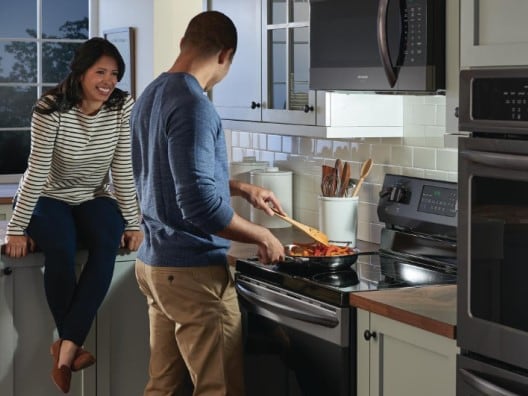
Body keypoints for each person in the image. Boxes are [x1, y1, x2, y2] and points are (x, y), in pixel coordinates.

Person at [130, 10, 286, 396]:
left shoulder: (151, 93)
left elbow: (165, 176)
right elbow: (200, 208)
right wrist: (262, 236)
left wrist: (238, 187)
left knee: (162, 387)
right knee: (220, 390)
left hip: (156, 264)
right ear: (225, 55)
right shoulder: (194, 105)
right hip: (193, 273)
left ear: (185, 43)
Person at [3, 37, 144, 393]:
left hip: (93, 195)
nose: (108, 80)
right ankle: (69, 352)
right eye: (100, 72)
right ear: (81, 73)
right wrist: (15, 229)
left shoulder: (121, 105)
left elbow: (122, 169)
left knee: (107, 240)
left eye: (114, 73)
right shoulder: (50, 108)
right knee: (62, 248)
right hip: (47, 197)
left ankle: (63, 348)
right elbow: (35, 173)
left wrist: (132, 221)